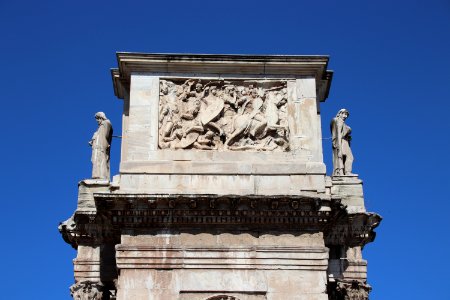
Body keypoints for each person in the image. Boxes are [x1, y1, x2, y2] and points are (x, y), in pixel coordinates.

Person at [89, 112, 113, 180]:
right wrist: (93, 141)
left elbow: (106, 134)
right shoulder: (100, 128)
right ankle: (96, 175)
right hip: (96, 147)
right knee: (96, 160)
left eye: (98, 119)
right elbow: (98, 137)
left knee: (101, 159)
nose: (97, 121)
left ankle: (102, 176)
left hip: (101, 147)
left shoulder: (106, 123)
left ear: (101, 118)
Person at [330, 109, 354, 176]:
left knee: (347, 157)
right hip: (342, 142)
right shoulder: (339, 121)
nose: (345, 116)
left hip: (344, 141)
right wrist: (339, 149)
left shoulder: (341, 122)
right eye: (343, 114)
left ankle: (345, 172)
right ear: (340, 114)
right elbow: (338, 135)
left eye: (346, 115)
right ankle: (347, 172)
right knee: (350, 157)